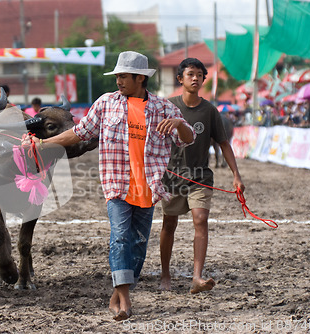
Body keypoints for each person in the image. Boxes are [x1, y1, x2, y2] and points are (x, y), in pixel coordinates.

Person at [22, 51, 195, 321]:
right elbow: (79, 133)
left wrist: (179, 124)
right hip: (116, 185)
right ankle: (125, 299)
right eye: (117, 76)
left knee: (138, 245)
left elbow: (188, 138)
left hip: (148, 188)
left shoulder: (163, 108)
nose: (118, 80)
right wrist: (43, 143)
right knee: (120, 238)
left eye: (123, 76)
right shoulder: (105, 103)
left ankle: (117, 294)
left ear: (140, 78)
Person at [159, 58, 245, 294]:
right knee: (169, 223)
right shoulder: (167, 106)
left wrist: (236, 175)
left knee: (200, 220)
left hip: (200, 177)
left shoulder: (209, 111)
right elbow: (153, 141)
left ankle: (197, 277)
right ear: (180, 79)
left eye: (199, 74)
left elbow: (224, 144)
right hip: (172, 177)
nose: (195, 78)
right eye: (190, 74)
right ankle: (165, 274)